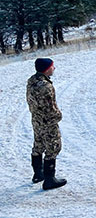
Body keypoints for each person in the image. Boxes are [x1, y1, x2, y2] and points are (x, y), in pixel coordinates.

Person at [26, 58, 67, 190]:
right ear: (46, 69)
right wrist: (58, 116)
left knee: (38, 144)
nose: (54, 68)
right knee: (53, 147)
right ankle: (49, 180)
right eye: (52, 66)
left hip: (36, 120)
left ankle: (38, 174)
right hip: (47, 122)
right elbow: (49, 107)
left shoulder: (32, 81)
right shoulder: (46, 86)